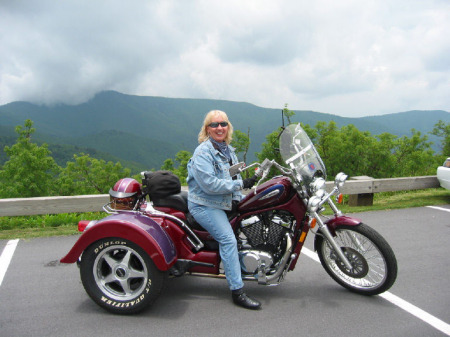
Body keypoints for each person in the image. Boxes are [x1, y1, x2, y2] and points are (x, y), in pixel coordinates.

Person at [187, 110, 261, 310]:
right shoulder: (203, 152)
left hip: (223, 202)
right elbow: (210, 185)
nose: (219, 128)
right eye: (214, 125)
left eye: (223, 124)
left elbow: (232, 177)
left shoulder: (228, 149)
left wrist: (242, 197)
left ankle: (248, 270)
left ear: (228, 127)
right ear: (207, 129)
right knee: (228, 239)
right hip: (205, 204)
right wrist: (240, 185)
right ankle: (237, 291)